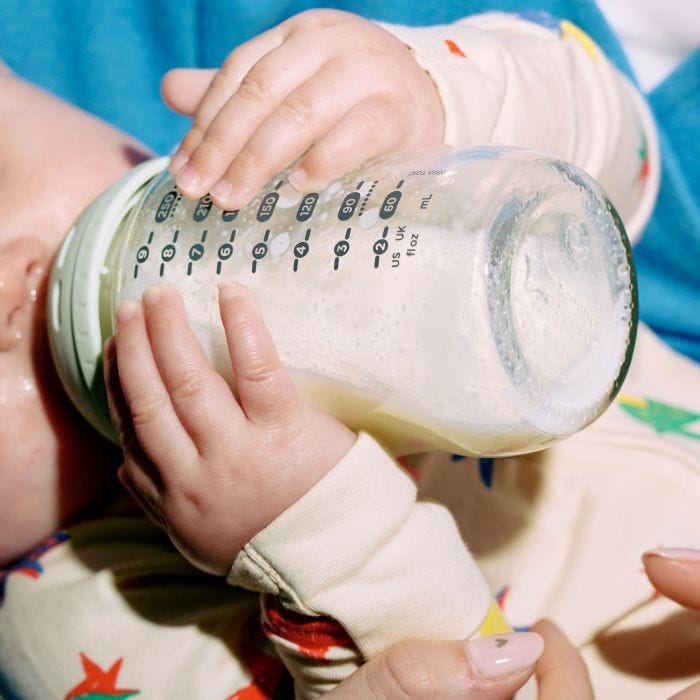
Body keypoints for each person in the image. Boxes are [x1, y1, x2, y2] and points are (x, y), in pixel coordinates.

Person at [0, 7, 699, 700]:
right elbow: (475, 676)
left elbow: (631, 162)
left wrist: (444, 98)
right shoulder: (74, 614)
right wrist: (321, 534)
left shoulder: (293, 168)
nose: (5, 289)